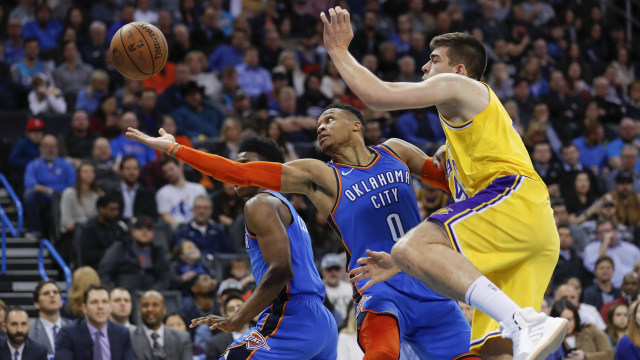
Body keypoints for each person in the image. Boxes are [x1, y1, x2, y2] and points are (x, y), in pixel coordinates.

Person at [127, 104, 474, 359]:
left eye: (328, 119)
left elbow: (455, 185)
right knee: (382, 354)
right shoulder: (320, 175)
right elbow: (241, 173)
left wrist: (454, 156)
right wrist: (175, 149)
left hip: (428, 280)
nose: (320, 128)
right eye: (317, 124)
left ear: (356, 125)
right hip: (379, 287)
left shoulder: (395, 150)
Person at [319, 8, 566, 358]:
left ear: (459, 70)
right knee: (495, 352)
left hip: (513, 200)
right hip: (528, 230)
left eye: (433, 60)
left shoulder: (461, 85)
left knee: (408, 247)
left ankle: (524, 321)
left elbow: (377, 96)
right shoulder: (469, 128)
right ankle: (522, 323)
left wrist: (338, 52)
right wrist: (399, 265)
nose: (424, 68)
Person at [189, 137, 338, 360]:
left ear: (267, 170)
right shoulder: (287, 209)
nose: (235, 171)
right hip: (322, 323)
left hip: (292, 317)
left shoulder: (259, 204)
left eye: (245, 164)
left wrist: (237, 318)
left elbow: (281, 270)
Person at [56, 284, 134, 360]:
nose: (100, 306)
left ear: (110, 307)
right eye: (94, 302)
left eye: (104, 302)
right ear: (84, 308)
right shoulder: (69, 333)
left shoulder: (122, 333)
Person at [98, 216, 169, 294]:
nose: (144, 232)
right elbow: (104, 272)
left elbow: (165, 279)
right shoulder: (121, 247)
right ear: (133, 231)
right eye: (140, 228)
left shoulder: (158, 252)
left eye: (149, 229)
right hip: (123, 297)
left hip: (150, 299)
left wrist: (153, 293)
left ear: (153, 233)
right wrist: (114, 292)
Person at [23, 134, 76, 237]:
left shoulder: (67, 164)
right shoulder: (33, 165)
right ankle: (34, 230)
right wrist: (50, 192)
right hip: (43, 198)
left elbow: (72, 184)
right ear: (41, 148)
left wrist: (57, 194)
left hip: (62, 197)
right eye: (47, 146)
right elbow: (31, 184)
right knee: (29, 194)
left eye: (53, 146)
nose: (50, 149)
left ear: (58, 148)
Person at [130, 290, 193, 360]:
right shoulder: (130, 338)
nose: (150, 309)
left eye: (155, 305)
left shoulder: (182, 338)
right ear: (139, 311)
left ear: (164, 309)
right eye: (145, 305)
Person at [546, 298, 613, 359]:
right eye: (562, 321)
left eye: (569, 319)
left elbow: (609, 355)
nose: (567, 325)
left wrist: (585, 356)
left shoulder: (591, 330)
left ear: (575, 318)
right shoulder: (551, 340)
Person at [155, 157, 207, 228]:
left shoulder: (199, 189)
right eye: (165, 172)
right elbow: (166, 218)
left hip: (199, 227)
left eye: (171, 169)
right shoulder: (162, 193)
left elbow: (206, 212)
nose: (169, 173)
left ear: (180, 167)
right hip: (177, 231)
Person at [107, 155, 157, 222]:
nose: (132, 172)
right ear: (121, 171)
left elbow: (152, 216)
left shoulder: (147, 194)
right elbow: (109, 215)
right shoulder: (112, 192)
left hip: (140, 228)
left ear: (139, 171)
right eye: (128, 169)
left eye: (135, 168)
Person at [79, 195, 124, 268]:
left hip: (118, 267)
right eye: (112, 209)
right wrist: (108, 252)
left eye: (117, 209)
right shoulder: (90, 229)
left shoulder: (119, 228)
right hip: (97, 267)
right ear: (101, 209)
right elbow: (86, 256)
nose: (116, 213)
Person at [28, 280, 70, 355]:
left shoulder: (74, 328)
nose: (52, 295)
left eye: (55, 292)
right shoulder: (28, 331)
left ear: (61, 301)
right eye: (46, 293)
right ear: (37, 304)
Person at [203, 294, 249, 359]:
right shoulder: (214, 343)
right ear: (225, 316)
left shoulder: (262, 331)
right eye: (231, 309)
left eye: (240, 307)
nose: (237, 311)